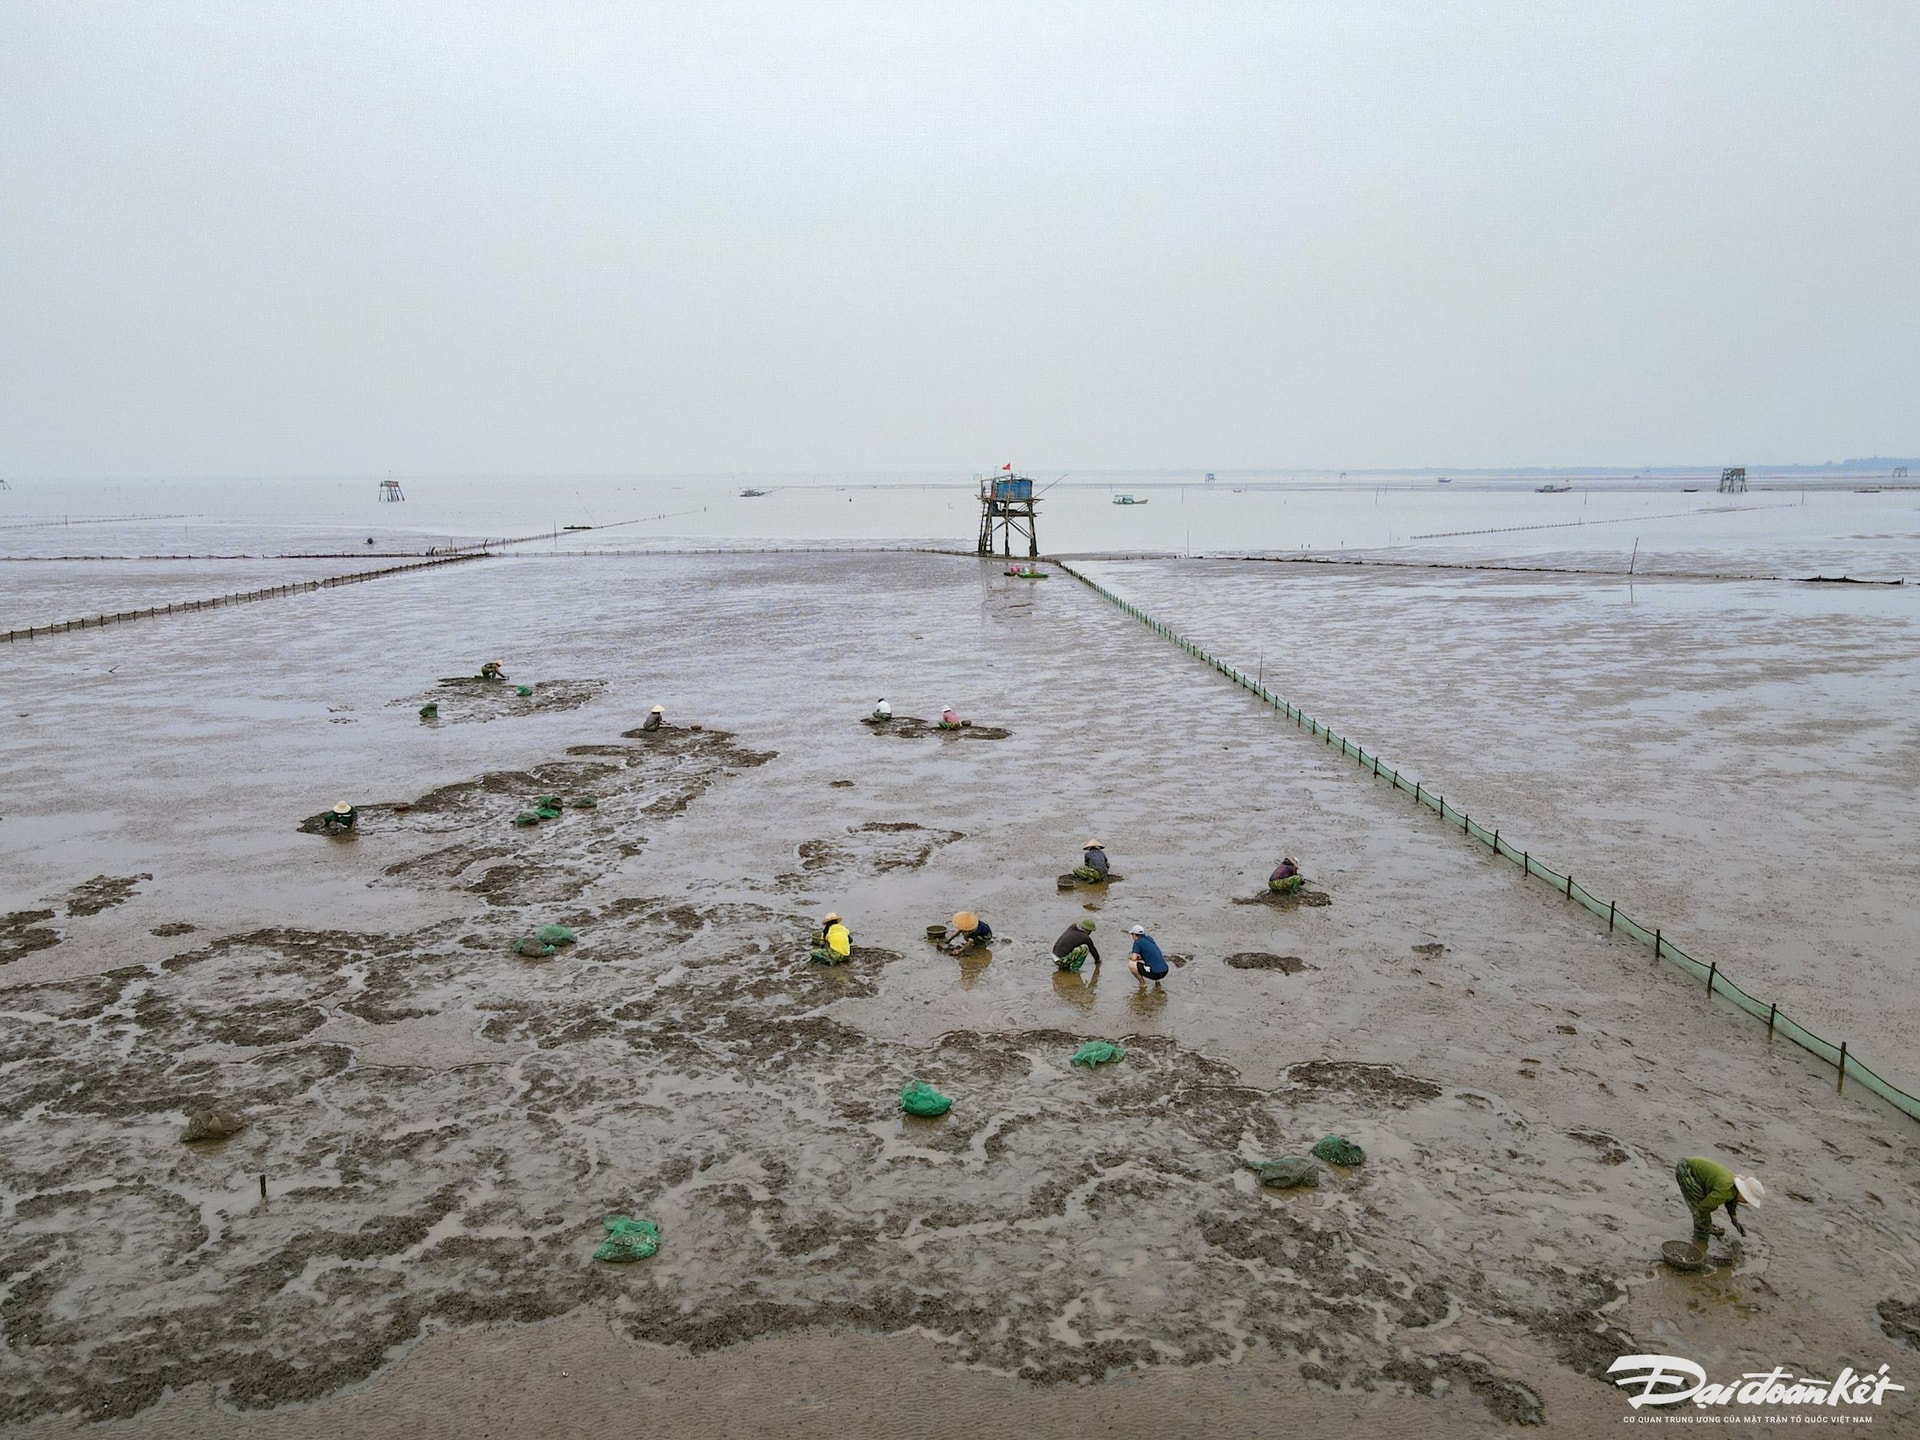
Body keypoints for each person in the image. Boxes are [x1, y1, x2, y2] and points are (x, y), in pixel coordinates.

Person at [1675, 1157, 1762, 1250]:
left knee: (1708, 1209)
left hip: (1695, 1171)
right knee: (1702, 1210)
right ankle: (1700, 1244)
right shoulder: (1725, 1190)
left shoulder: (1733, 1188)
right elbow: (1702, 1207)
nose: (1746, 1203)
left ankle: (1702, 1234)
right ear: (1742, 1192)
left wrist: (1734, 1219)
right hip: (1686, 1170)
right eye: (1746, 1199)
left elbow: (1731, 1202)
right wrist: (1708, 1227)